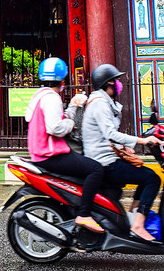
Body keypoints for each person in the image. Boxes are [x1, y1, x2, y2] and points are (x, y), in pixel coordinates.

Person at [82, 64, 164, 242]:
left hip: (107, 157)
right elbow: (110, 133)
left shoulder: (102, 101)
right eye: (116, 81)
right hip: (105, 163)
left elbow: (106, 135)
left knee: (146, 175)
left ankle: (133, 217)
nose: (118, 84)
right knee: (152, 179)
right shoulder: (100, 104)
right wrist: (143, 140)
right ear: (108, 83)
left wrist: (124, 146)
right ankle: (138, 226)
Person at [25, 57, 106, 233]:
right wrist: (72, 125)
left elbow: (54, 119)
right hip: (50, 154)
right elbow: (56, 127)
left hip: (39, 153)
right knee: (96, 169)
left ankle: (74, 209)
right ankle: (84, 214)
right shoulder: (52, 98)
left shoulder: (39, 95)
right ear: (62, 80)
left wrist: (72, 106)